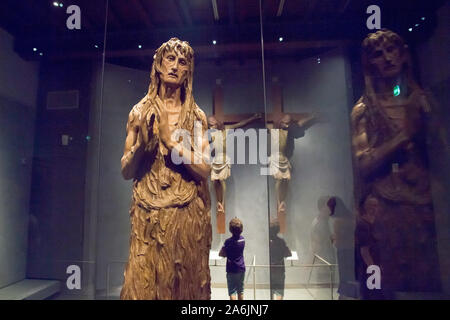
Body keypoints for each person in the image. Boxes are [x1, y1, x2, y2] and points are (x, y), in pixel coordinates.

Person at [120, 38, 212, 300]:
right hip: (147, 217)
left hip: (186, 216)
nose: (174, 66)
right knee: (142, 287)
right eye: (169, 59)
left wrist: (172, 143)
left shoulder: (196, 116)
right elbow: (126, 170)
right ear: (158, 66)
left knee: (185, 290)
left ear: (188, 72)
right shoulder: (138, 113)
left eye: (182, 62)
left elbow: (205, 168)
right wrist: (143, 147)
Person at [350, 29, 440, 292]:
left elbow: (441, 154)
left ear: (403, 56)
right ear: (370, 63)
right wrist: (404, 137)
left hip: (423, 202)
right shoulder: (364, 110)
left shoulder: (423, 102)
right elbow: (365, 164)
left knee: (425, 280)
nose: (387, 58)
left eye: (392, 51)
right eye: (378, 54)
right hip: (386, 206)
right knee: (388, 283)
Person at [208, 113, 261, 233]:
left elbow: (240, 124)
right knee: (215, 181)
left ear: (217, 123)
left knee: (221, 180)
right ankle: (218, 204)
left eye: (213, 124)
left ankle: (223, 203)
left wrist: (252, 118)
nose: (212, 127)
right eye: (209, 125)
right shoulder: (210, 135)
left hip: (224, 158)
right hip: (216, 159)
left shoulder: (226, 130)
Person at [269, 113, 317, 233]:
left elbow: (301, 123)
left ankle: (282, 202)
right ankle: (280, 202)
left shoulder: (290, 131)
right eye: (284, 120)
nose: (285, 122)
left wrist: (313, 116)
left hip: (284, 158)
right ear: (279, 121)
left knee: (285, 180)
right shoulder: (274, 130)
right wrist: (255, 118)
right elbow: (266, 123)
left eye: (288, 121)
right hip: (276, 157)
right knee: (280, 179)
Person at [354, 196, 384, 300]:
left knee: (376, 292)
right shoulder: (362, 224)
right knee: (370, 294)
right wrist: (373, 269)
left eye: (376, 206)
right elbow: (364, 251)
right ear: (367, 207)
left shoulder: (376, 222)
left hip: (375, 263)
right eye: (372, 206)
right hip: (368, 266)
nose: (375, 208)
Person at [219, 217, 246, 300]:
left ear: (230, 229)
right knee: (240, 291)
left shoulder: (228, 242)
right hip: (241, 268)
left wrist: (228, 253)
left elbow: (221, 254)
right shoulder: (242, 239)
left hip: (231, 270)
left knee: (232, 291)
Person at [269, 219, 292, 300]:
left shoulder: (267, 242)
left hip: (269, 270)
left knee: (270, 292)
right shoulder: (281, 241)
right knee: (279, 292)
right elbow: (288, 254)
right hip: (279, 270)